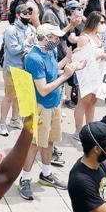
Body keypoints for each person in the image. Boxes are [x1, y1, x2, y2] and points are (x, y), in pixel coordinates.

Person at [19, 23, 82, 200]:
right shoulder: (34, 58)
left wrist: (69, 62)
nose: (57, 40)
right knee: (34, 144)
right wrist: (66, 76)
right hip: (39, 107)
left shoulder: (50, 52)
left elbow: (54, 71)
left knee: (50, 141)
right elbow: (43, 89)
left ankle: (46, 174)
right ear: (44, 38)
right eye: (54, 37)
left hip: (54, 104)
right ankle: (25, 178)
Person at [0, 3, 34, 136]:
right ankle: (2, 122)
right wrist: (26, 42)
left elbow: (34, 44)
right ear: (18, 15)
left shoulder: (31, 29)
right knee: (9, 96)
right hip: (12, 68)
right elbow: (13, 50)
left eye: (29, 13)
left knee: (19, 96)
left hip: (25, 68)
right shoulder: (10, 30)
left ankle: (15, 119)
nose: (28, 16)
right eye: (25, 13)